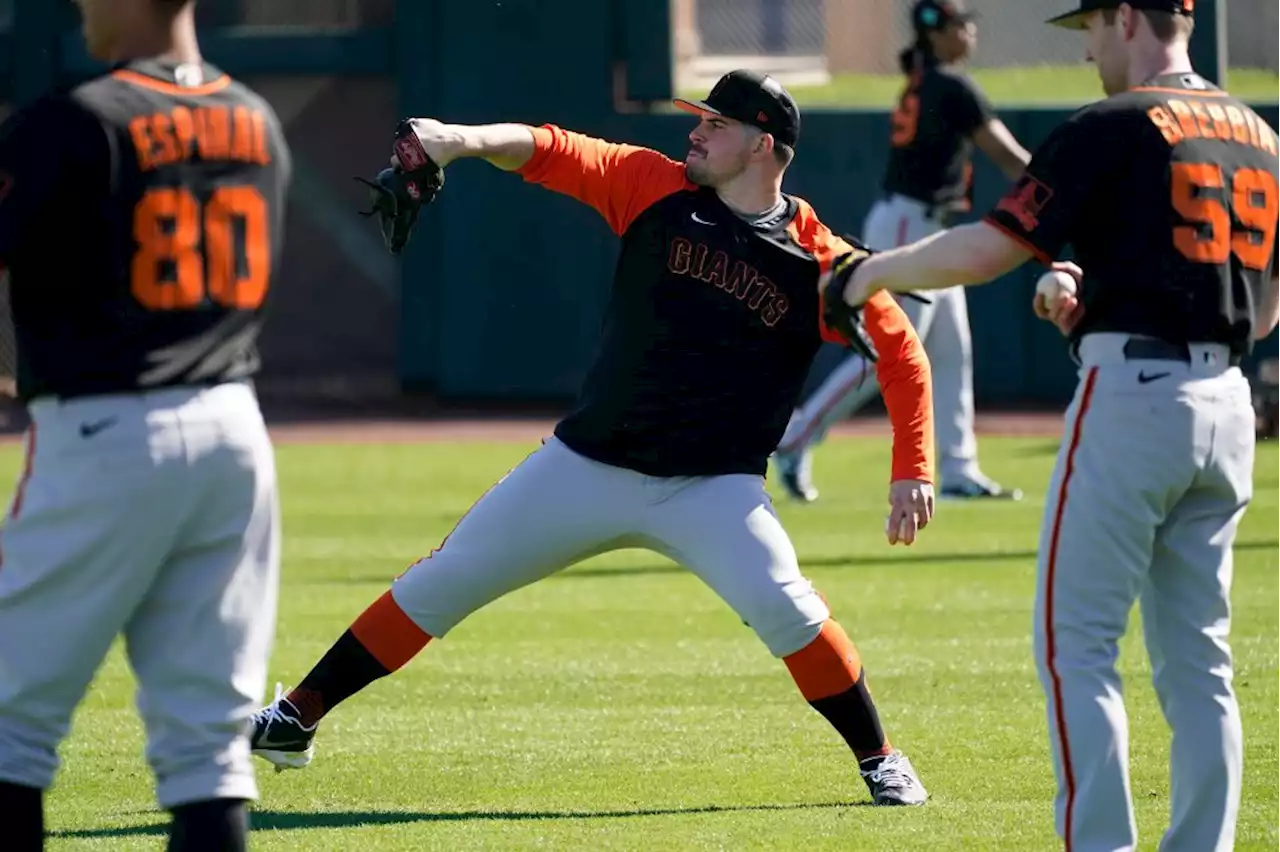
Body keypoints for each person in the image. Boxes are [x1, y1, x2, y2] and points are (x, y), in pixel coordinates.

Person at [249, 70, 935, 806]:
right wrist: (456, 142)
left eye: (715, 123)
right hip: (588, 464)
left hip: (713, 487)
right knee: (439, 583)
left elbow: (901, 353)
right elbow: (550, 149)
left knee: (787, 610)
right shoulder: (654, 186)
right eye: (697, 119)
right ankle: (295, 719)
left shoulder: (819, 259)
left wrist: (914, 467)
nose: (695, 132)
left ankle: (880, 758)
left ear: (763, 144)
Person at [835, 1, 1280, 848]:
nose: (1088, 53)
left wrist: (866, 274)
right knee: (1202, 667)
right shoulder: (1261, 135)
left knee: (1076, 647)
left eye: (1090, 31)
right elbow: (1260, 318)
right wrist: (1096, 305)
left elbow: (987, 249)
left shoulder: (1113, 122)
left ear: (1124, 18)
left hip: (1132, 402)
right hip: (1228, 410)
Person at [0, 0, 292, 848]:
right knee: (207, 754)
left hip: (106, 435)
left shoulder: (76, 119)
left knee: (10, 728)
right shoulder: (256, 119)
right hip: (235, 429)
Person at [774, 0, 1030, 503]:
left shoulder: (927, 81)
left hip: (920, 222)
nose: (970, 33)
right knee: (890, 348)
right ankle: (795, 436)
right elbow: (1008, 156)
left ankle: (957, 468)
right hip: (911, 224)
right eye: (961, 24)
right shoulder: (950, 84)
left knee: (952, 350)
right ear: (936, 33)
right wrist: (1067, 190)